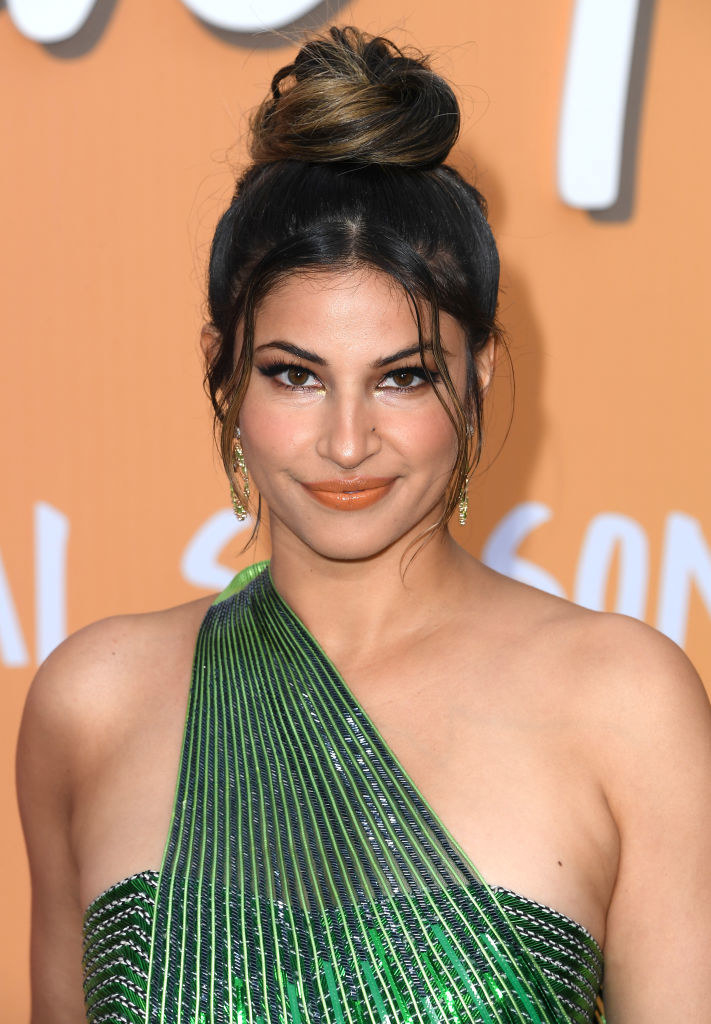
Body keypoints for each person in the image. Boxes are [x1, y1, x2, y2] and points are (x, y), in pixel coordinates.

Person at [16, 25, 711, 1024]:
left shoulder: (627, 707)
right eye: (294, 374)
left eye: (404, 376)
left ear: (479, 376)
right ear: (223, 370)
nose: (348, 443)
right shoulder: (91, 706)